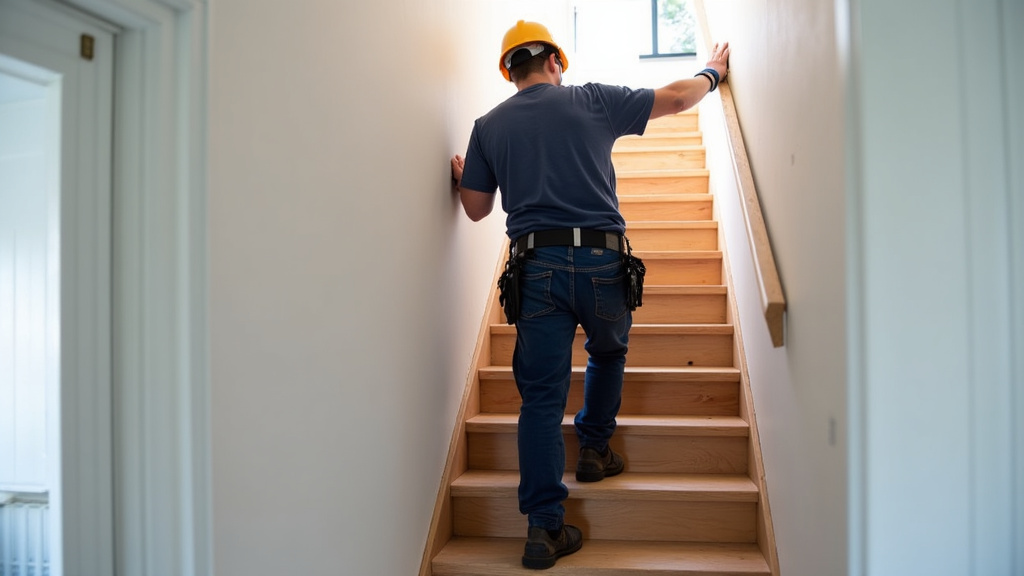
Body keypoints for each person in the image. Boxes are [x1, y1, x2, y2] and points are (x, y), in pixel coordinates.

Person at [450, 20, 729, 570]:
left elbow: (477, 209)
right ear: (556, 62)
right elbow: (675, 99)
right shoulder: (594, 100)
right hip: (603, 259)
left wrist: (464, 178)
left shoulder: (488, 127)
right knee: (607, 352)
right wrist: (712, 72)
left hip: (534, 269)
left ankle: (543, 530)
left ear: (509, 71)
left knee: (541, 400)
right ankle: (596, 450)